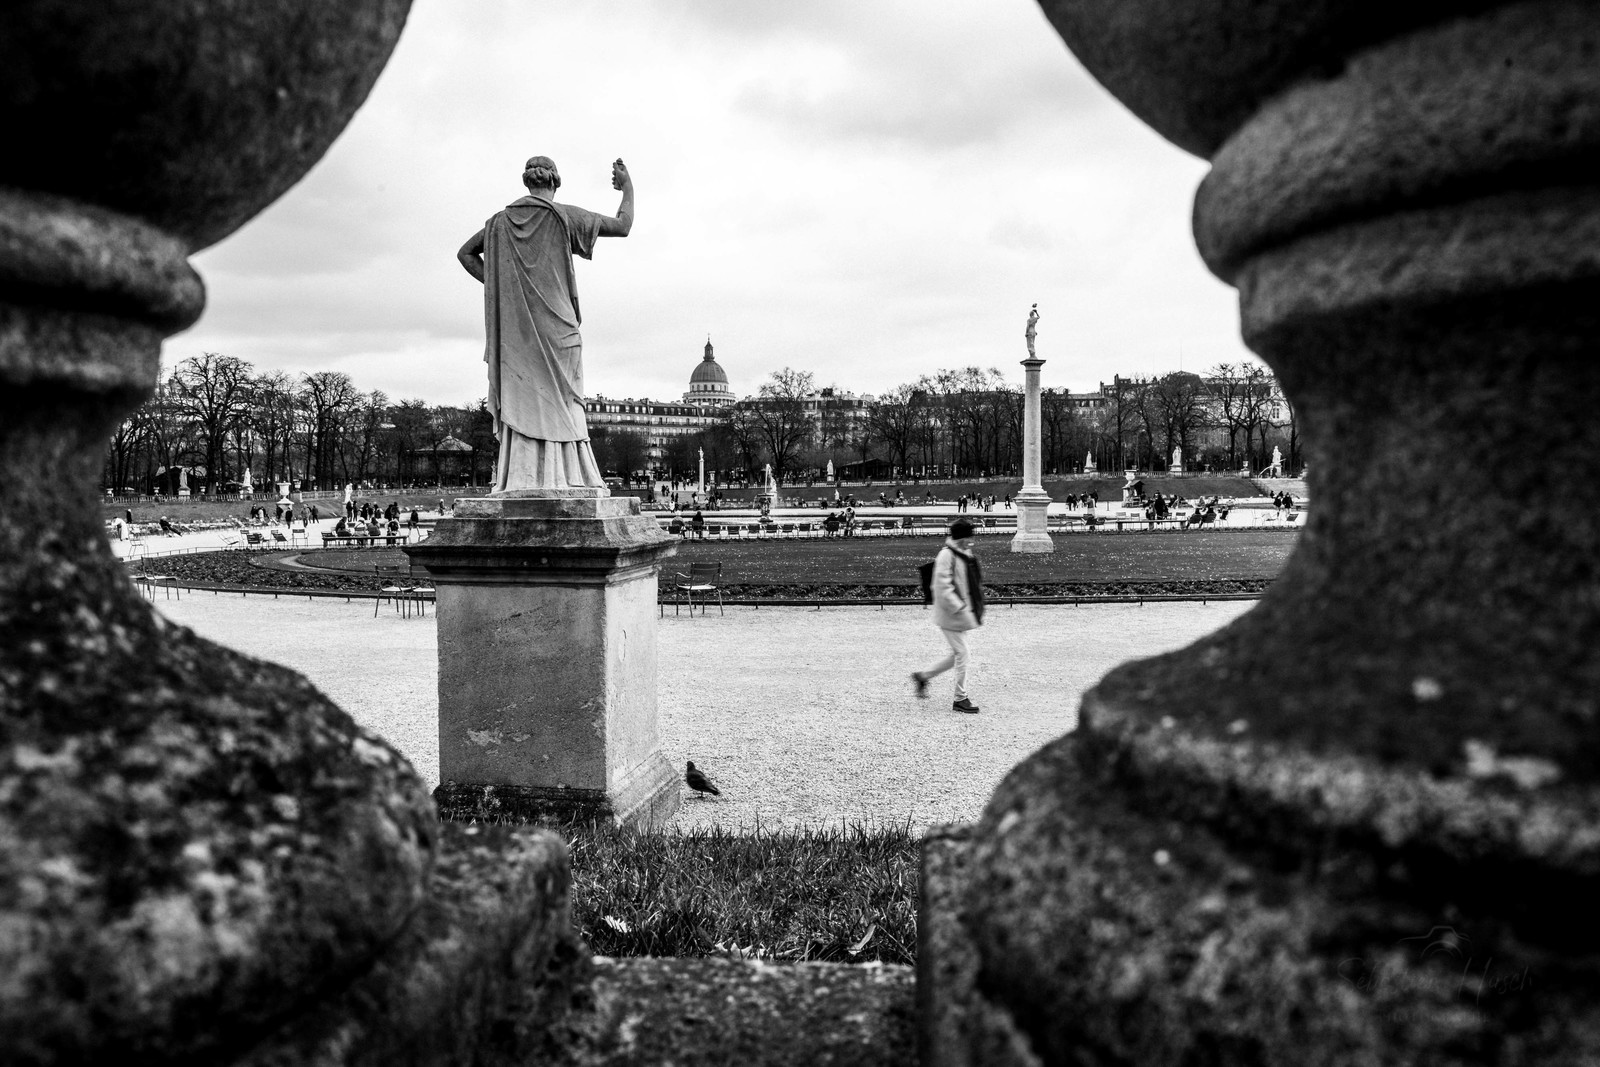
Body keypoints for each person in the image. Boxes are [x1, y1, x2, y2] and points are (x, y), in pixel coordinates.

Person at [458, 155, 634, 492]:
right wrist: (627, 187)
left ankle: (521, 480)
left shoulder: (499, 222)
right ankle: (570, 477)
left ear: (528, 182)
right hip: (560, 329)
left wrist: (502, 288)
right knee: (566, 404)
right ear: (555, 182)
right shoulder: (564, 216)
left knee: (524, 395)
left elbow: (465, 254)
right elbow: (623, 225)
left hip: (517, 331)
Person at [911, 518, 985, 713]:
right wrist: (959, 607)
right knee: (963, 653)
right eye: (969, 536)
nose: (972, 540)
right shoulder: (946, 555)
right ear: (961, 537)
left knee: (957, 654)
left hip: (959, 612)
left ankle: (923, 677)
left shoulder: (962, 552)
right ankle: (960, 698)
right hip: (951, 614)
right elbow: (941, 587)